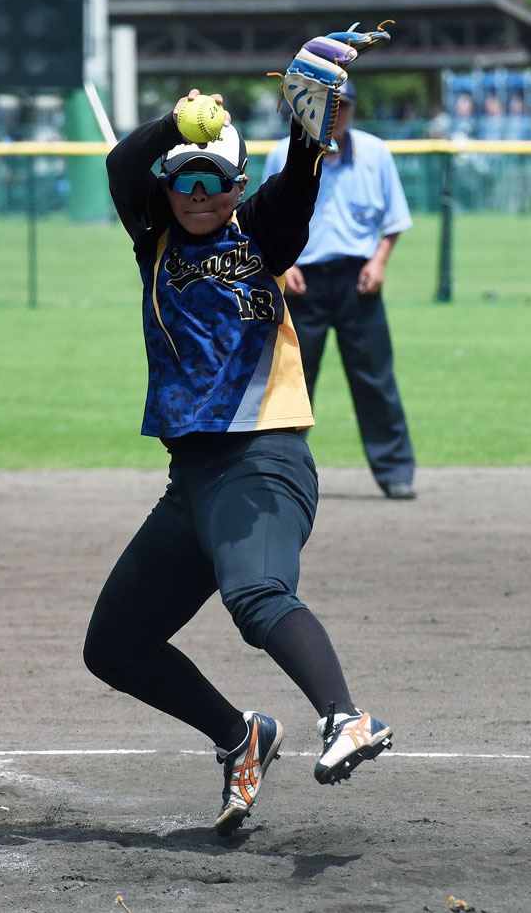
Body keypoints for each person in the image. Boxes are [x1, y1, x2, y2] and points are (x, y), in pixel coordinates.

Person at [83, 86, 393, 838]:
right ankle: (240, 735)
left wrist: (308, 130)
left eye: (213, 179)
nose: (197, 193)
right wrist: (175, 123)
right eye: (183, 177)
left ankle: (345, 716)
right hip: (191, 482)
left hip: (263, 460)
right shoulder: (154, 241)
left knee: (256, 594)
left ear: (238, 185)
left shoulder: (260, 233)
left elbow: (298, 188)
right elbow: (121, 166)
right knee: (115, 646)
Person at [262, 80, 416, 499]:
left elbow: (394, 219)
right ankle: (276, 471)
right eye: (327, 106)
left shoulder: (375, 153)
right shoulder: (283, 153)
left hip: (357, 280)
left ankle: (395, 470)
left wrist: (379, 261)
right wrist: (285, 265)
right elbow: (265, 220)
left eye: (342, 107)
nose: (335, 115)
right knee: (292, 383)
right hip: (302, 282)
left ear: (353, 110)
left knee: (375, 378)